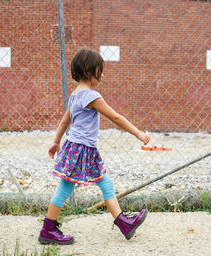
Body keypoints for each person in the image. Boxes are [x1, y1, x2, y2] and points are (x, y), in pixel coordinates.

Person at [38, 48, 150, 245]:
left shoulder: (75, 95)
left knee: (105, 183)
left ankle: (124, 222)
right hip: (81, 149)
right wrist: (138, 133)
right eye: (101, 70)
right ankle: (48, 229)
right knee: (65, 187)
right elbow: (115, 116)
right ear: (90, 72)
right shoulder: (91, 96)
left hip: (79, 148)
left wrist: (56, 142)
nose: (103, 75)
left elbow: (65, 122)